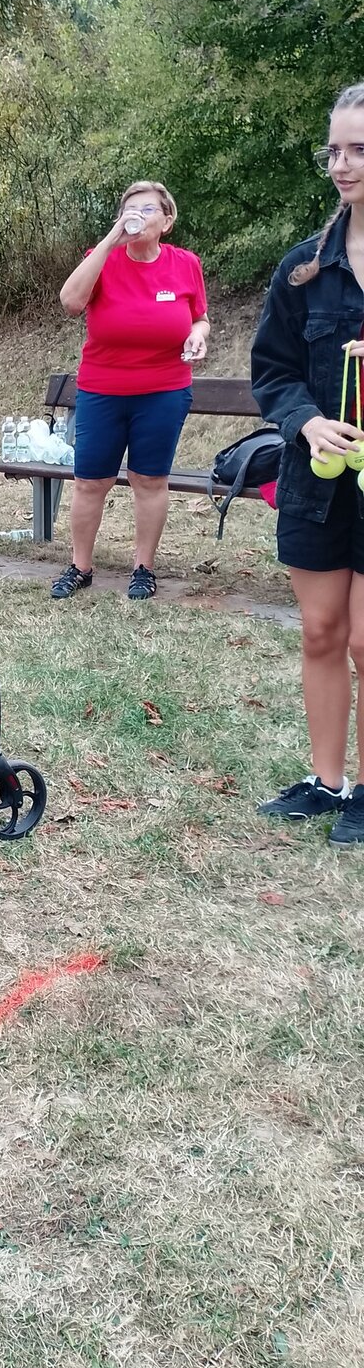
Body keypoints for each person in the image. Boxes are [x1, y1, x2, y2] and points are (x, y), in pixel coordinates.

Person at [252, 81, 364, 842]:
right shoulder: (304, 269)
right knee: (323, 632)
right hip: (316, 485)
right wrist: (308, 422)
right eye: (334, 150)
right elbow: (273, 371)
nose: (341, 165)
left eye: (358, 150)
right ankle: (328, 783)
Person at [52, 182, 210, 602]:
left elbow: (199, 316)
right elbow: (70, 302)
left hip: (164, 391)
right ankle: (80, 566)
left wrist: (198, 334)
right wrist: (110, 241)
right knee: (91, 482)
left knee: (149, 479)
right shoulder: (102, 257)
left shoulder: (185, 264)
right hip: (102, 390)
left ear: (167, 221)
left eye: (147, 209)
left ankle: (143, 568)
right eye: (129, 208)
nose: (137, 215)